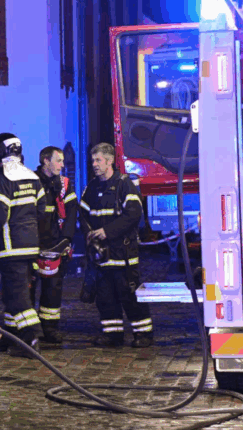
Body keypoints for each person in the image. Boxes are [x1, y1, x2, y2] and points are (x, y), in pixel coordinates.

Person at [79, 142, 153, 348]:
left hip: (123, 254)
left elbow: (133, 214)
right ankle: (113, 335)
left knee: (130, 295)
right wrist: (89, 234)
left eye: (98, 160)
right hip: (101, 256)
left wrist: (107, 231)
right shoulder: (92, 187)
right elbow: (82, 214)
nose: (94, 164)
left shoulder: (124, 184)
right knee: (105, 297)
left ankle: (143, 334)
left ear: (110, 161)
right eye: (93, 160)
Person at [0, 133, 48, 357]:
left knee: (16, 295)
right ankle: (10, 335)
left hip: (9, 246)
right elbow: (41, 210)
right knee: (12, 292)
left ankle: (32, 337)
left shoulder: (2, 180)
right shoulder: (33, 177)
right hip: (30, 245)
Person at [32, 146, 77, 344]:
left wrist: (66, 239)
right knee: (28, 289)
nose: (62, 165)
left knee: (53, 289)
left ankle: (50, 328)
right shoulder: (31, 181)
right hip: (33, 244)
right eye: (58, 160)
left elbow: (72, 211)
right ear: (45, 161)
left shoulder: (65, 184)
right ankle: (28, 330)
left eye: (63, 161)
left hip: (56, 244)